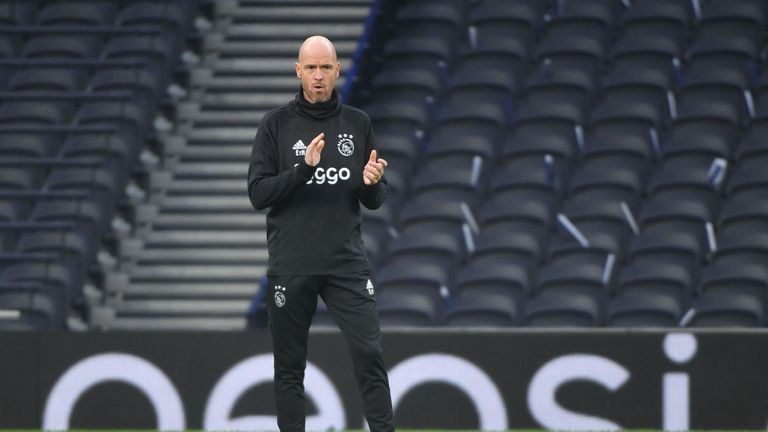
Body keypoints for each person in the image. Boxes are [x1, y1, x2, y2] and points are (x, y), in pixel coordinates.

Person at [247, 35, 395, 432]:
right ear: (298, 71)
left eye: (325, 67)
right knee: (290, 368)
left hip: (346, 263)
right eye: (310, 68)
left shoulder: (358, 123)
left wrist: (370, 182)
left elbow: (374, 197)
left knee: (369, 352)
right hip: (291, 265)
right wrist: (303, 170)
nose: (317, 76)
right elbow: (258, 194)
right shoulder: (275, 125)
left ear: (337, 71)